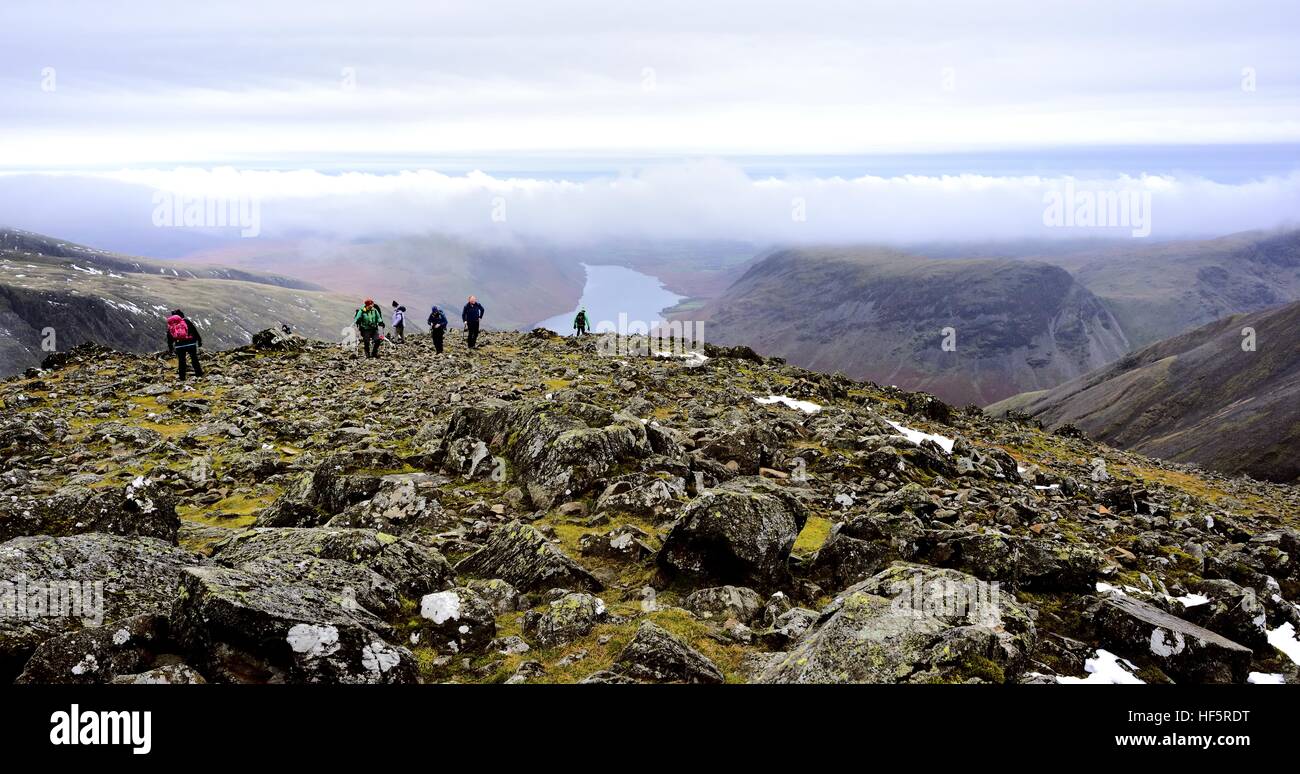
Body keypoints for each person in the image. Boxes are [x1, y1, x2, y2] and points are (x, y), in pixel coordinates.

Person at [166, 309, 204, 380]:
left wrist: (171, 348)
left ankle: (182, 377)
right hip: (191, 344)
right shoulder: (186, 322)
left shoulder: (171, 325)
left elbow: (169, 338)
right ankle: (199, 374)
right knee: (194, 359)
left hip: (179, 345)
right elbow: (194, 331)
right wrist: (199, 341)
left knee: (182, 361)